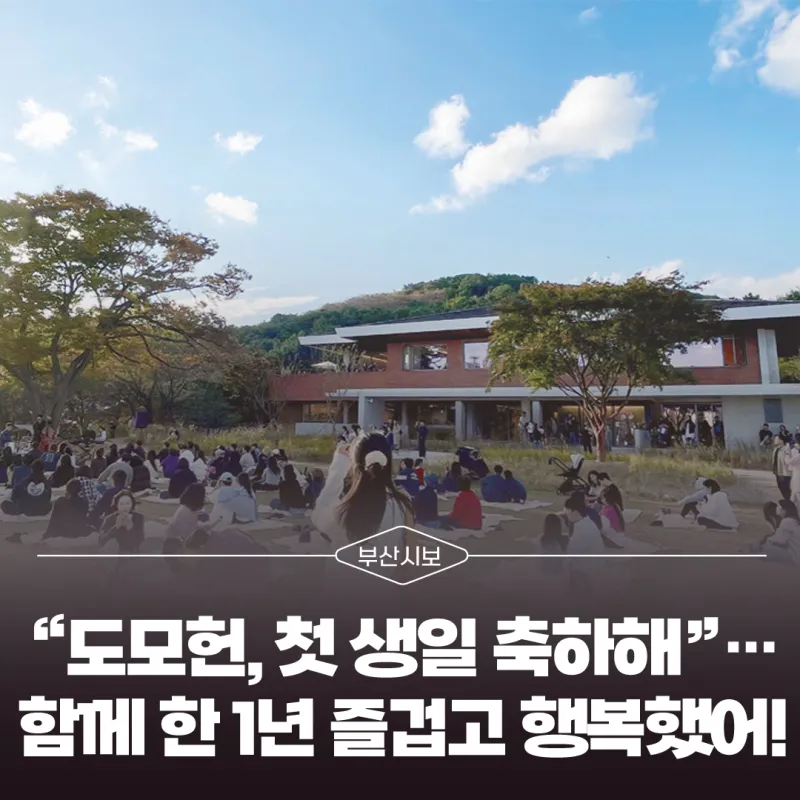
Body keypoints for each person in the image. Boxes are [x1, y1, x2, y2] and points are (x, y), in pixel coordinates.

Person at [312, 433, 413, 546]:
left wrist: (339, 464)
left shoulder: (341, 511)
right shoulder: (402, 503)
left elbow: (320, 511)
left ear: (355, 466)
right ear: (388, 462)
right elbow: (412, 551)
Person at [755, 499, 800, 564]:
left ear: (785, 510)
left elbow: (781, 540)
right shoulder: (794, 521)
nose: (778, 510)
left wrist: (768, 540)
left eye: (780, 508)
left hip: (795, 558)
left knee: (766, 547)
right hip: (795, 553)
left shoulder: (787, 521)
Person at [772, 434, 793, 503]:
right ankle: (787, 500)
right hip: (777, 471)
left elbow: (788, 460)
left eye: (776, 439)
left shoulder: (786, 448)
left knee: (785, 487)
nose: (775, 440)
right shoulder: (776, 449)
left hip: (784, 472)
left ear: (781, 440)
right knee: (780, 486)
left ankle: (789, 501)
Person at [788, 442, 800, 509]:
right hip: (796, 478)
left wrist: (788, 453)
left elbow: (789, 462)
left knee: (795, 495)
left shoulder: (797, 457)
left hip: (797, 479)